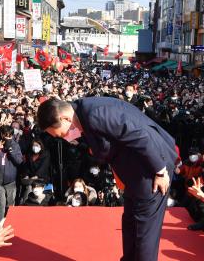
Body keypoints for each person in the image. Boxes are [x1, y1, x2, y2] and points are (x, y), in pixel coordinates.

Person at [37, 97, 177, 261]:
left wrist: (160, 171)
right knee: (130, 222)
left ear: (64, 118)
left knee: (145, 231)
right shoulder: (81, 114)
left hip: (151, 169)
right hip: (133, 171)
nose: (61, 137)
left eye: (59, 133)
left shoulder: (95, 114)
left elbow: (140, 136)